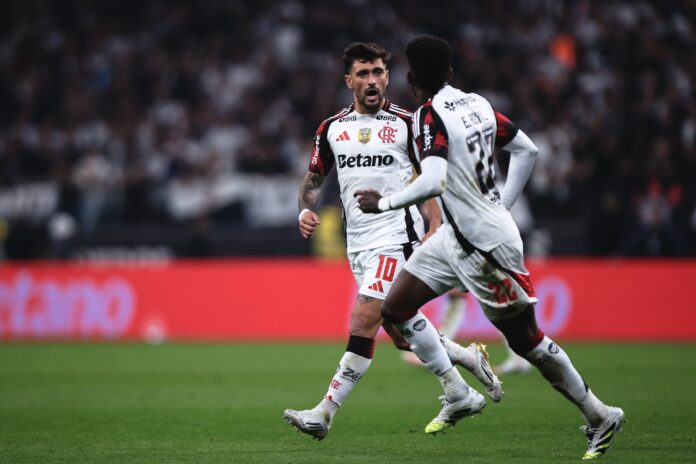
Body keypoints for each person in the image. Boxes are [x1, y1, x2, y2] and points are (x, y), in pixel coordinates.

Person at [355, 35, 624, 460]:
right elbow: (526, 150)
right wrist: (503, 205)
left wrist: (383, 203)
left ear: (410, 79)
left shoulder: (429, 115)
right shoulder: (477, 104)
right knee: (396, 308)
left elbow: (434, 180)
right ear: (449, 72)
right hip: (455, 238)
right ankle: (458, 390)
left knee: (526, 341)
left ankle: (600, 414)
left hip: (485, 248)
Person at [283, 42, 502, 441]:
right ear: (348, 80)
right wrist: (304, 210)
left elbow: (429, 178)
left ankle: (324, 413)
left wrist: (433, 225)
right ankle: (465, 370)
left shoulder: (408, 123)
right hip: (358, 245)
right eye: (363, 73)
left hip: (397, 238)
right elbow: (314, 178)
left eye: (378, 72)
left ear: (388, 77)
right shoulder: (331, 128)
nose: (372, 81)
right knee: (403, 335)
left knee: (363, 319)